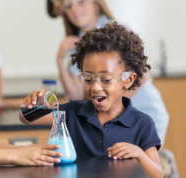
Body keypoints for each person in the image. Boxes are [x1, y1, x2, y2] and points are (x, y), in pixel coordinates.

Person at [20, 22, 163, 177]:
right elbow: (26, 118)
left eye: (106, 79)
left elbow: (158, 174)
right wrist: (33, 102)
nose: (95, 88)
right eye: (88, 79)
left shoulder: (142, 124)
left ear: (128, 80)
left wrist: (140, 154)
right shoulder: (72, 113)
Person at [56, 0, 169, 146]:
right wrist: (59, 60)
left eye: (81, 1)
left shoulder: (116, 31)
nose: (74, 9)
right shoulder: (76, 42)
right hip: (112, 120)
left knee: (137, 164)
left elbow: (142, 76)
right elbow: (77, 95)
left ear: (96, 3)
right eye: (68, 6)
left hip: (144, 112)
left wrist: (108, 110)